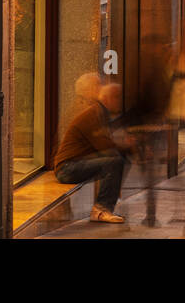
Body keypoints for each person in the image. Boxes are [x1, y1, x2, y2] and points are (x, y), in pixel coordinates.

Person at [53, 80, 134, 223]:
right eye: (118, 97)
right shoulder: (93, 115)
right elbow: (103, 145)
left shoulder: (101, 113)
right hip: (66, 169)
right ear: (108, 99)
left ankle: (108, 202)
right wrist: (126, 144)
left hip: (76, 162)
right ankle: (101, 211)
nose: (121, 102)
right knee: (114, 161)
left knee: (118, 158)